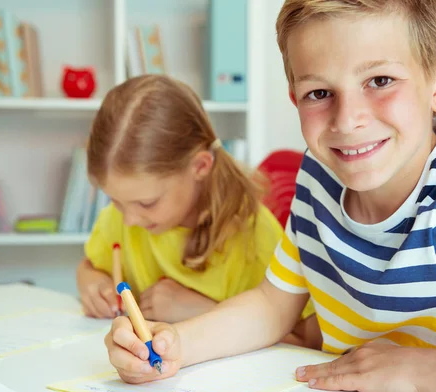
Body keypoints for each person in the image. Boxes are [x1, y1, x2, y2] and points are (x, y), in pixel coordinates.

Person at [103, 1, 436, 392]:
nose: (348, 119)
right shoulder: (319, 177)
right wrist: (175, 344)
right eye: (319, 93)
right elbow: (271, 305)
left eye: (380, 80)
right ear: (294, 97)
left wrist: (419, 369)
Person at [76, 74, 320, 349]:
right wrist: (94, 285)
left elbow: (305, 340)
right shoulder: (121, 216)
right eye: (116, 201)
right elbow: (89, 267)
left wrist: (204, 311)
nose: (129, 219)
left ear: (200, 167)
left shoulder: (253, 236)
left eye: (147, 203)